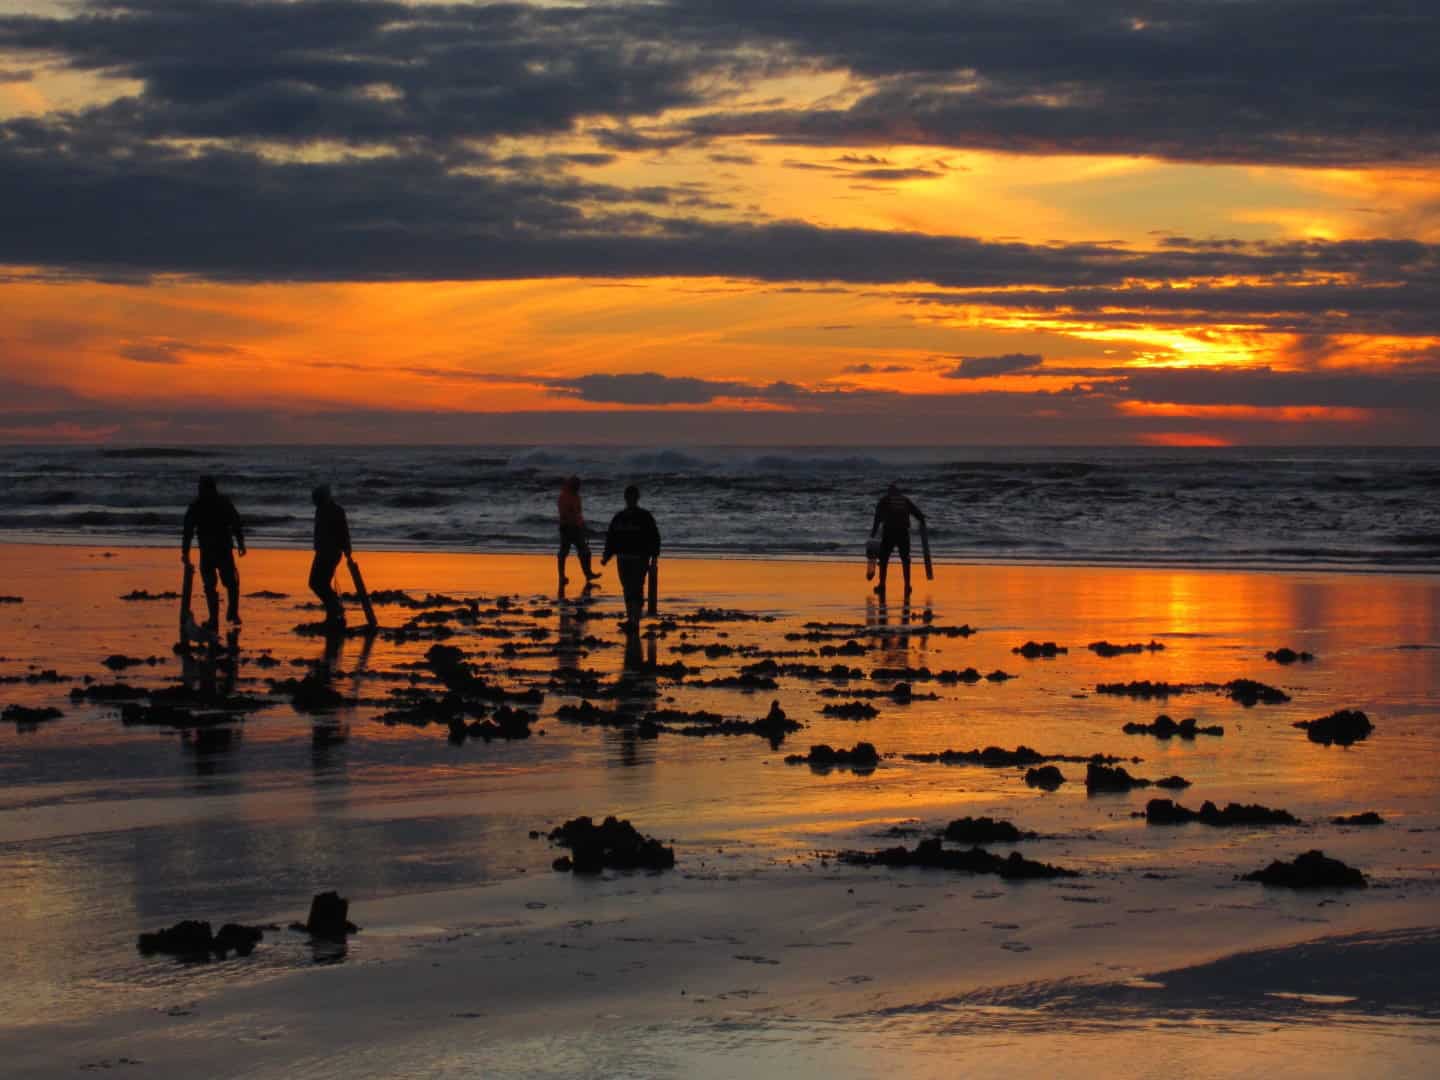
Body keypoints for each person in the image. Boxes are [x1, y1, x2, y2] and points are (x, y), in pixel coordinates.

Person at [182, 476, 246, 630]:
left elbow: (188, 531)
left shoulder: (197, 505)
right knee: (230, 583)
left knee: (213, 585)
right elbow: (236, 522)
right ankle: (231, 613)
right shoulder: (223, 502)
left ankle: (216, 618)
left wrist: (185, 552)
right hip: (221, 549)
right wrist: (241, 543)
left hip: (210, 550)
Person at [601, 485, 660, 632]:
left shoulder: (642, 517)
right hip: (624, 557)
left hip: (639, 558)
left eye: (632, 497)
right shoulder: (621, 517)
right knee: (628, 588)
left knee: (635, 588)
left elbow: (654, 537)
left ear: (636, 498)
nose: (630, 499)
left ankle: (634, 620)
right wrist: (606, 556)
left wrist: (654, 558)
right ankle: (632, 620)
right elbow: (612, 539)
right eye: (629, 497)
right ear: (626, 498)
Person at [870, 482, 925, 597]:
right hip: (903, 533)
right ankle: (907, 585)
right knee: (905, 559)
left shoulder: (884, 500)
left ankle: (882, 585)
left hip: (889, 532)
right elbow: (919, 515)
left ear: (889, 493)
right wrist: (923, 524)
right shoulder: (905, 500)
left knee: (884, 560)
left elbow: (877, 519)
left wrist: (873, 535)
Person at [309, 485, 352, 628]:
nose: (315, 502)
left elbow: (344, 531)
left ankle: (335, 608)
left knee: (317, 583)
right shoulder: (321, 509)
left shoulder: (336, 511)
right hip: (323, 552)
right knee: (319, 583)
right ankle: (333, 609)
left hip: (330, 553)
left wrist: (347, 549)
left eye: (316, 499)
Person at [557, 476, 601, 589]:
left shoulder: (576, 497)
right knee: (563, 553)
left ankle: (588, 574)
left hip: (576, 528)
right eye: (576, 485)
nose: (578, 487)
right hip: (567, 528)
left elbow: (578, 514)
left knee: (585, 552)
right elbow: (565, 513)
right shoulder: (564, 496)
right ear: (571, 485)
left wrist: (582, 526)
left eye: (579, 485)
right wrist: (573, 524)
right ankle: (562, 576)